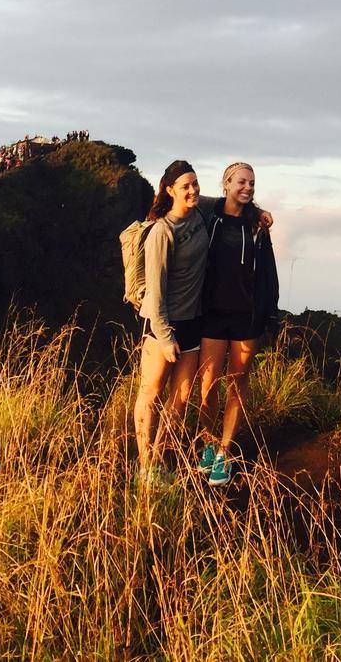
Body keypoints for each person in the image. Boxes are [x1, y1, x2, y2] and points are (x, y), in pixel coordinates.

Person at [194, 162, 280, 487]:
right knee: (208, 384)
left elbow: (268, 272)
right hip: (212, 314)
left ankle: (225, 454)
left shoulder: (258, 226)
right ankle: (206, 443)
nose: (248, 188)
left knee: (237, 385)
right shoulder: (209, 214)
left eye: (252, 184)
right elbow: (187, 200)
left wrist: (271, 314)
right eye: (242, 182)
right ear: (227, 183)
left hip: (247, 317)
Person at [133, 159, 210, 488]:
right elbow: (156, 290)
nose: (192, 190)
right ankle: (145, 465)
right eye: (185, 186)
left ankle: (161, 459)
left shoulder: (200, 213)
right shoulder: (162, 232)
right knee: (151, 393)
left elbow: (230, 200)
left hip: (193, 322)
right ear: (169, 190)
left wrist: (260, 212)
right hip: (162, 325)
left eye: (194, 183)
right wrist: (165, 338)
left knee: (180, 399)